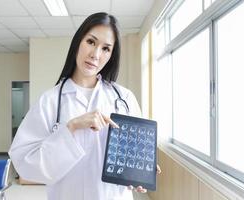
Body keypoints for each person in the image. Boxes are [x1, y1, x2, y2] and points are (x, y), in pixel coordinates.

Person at [9, 12, 160, 200]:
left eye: (106, 48)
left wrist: (140, 170)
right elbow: (24, 164)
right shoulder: (50, 101)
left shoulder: (124, 99)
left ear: (112, 55)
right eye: (91, 42)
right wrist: (71, 127)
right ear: (78, 42)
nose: (95, 54)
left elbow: (135, 152)